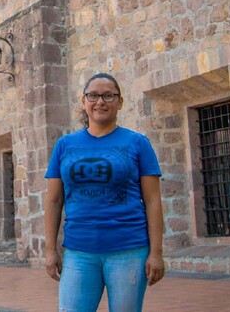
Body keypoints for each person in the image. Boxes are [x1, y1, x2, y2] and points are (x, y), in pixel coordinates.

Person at [44, 72, 164, 312]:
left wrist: (156, 253)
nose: (100, 101)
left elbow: (152, 200)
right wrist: (50, 251)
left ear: (120, 102)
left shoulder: (138, 143)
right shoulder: (65, 145)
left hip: (128, 249)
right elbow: (54, 200)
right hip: (79, 252)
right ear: (83, 101)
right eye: (93, 95)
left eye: (108, 95)